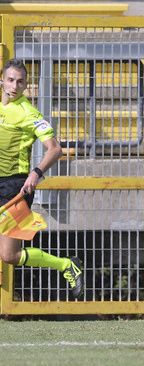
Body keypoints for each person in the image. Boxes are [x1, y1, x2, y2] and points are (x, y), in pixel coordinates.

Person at [0, 58, 84, 299]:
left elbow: (55, 149)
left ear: (26, 85)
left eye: (20, 81)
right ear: (2, 81)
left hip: (14, 186)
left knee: (10, 256)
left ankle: (67, 265)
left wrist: (35, 173)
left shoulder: (29, 112)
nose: (14, 86)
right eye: (10, 80)